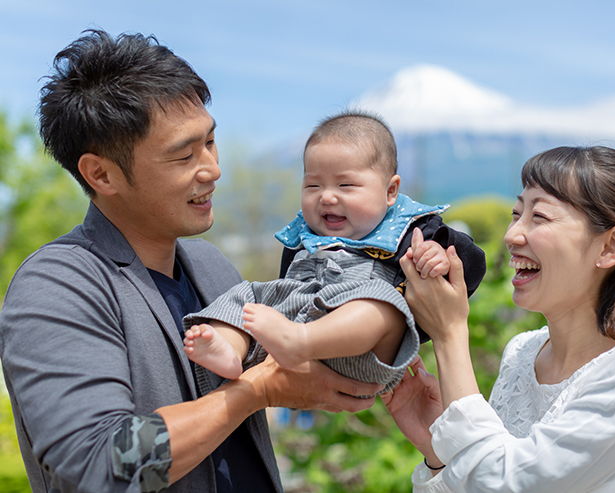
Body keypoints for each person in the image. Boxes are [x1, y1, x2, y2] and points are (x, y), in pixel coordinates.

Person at [0, 30, 385, 493]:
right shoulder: (58, 284)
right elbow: (100, 463)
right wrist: (257, 392)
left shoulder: (210, 266)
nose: (212, 168)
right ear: (100, 174)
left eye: (210, 142)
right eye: (184, 154)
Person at [382, 146, 615, 492]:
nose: (512, 235)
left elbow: (511, 484)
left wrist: (450, 334)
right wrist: (439, 450)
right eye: (517, 214)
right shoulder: (522, 353)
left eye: (539, 217)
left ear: (610, 246)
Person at [182, 112, 487, 394]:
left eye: (346, 184)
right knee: (247, 294)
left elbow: (472, 264)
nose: (327, 196)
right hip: (295, 335)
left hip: (360, 352)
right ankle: (230, 349)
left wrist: (438, 257)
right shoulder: (306, 234)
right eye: (313, 185)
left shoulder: (411, 230)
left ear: (390, 191)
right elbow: (284, 281)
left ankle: (300, 340)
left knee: (384, 305)